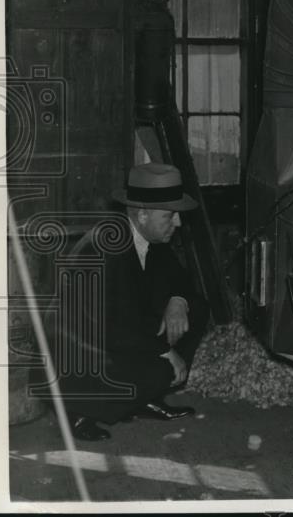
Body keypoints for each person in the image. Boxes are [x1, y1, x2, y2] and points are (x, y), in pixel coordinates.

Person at [52, 163, 209, 441]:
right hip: (83, 352)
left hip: (118, 336)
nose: (178, 223)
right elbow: (105, 328)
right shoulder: (102, 249)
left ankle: (143, 398)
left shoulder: (149, 237)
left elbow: (181, 280)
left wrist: (178, 300)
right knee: (162, 369)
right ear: (143, 215)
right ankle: (77, 411)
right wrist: (166, 352)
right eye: (170, 216)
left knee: (196, 310)